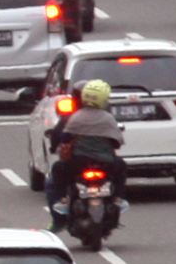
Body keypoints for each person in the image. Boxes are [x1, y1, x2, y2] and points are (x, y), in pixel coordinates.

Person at [46, 77, 127, 228]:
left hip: (78, 164)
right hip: (105, 164)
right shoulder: (108, 118)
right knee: (121, 166)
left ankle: (61, 208)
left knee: (56, 171)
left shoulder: (75, 117)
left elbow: (63, 138)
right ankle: (117, 199)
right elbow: (117, 142)